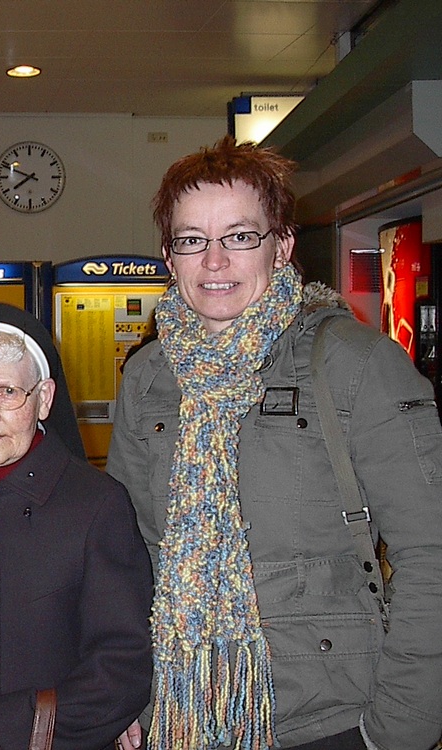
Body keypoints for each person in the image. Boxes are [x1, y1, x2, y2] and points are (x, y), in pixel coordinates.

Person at [108, 136, 442, 750]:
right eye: (192, 240)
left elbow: (431, 553)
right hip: (178, 712)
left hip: (328, 716)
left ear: (282, 245)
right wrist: (124, 690)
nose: (214, 261)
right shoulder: (149, 377)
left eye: (239, 236)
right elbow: (127, 557)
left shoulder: (354, 364)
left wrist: (398, 727)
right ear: (169, 256)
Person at [0, 302, 153, 750]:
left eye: (7, 392)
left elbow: (124, 666)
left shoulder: (98, 504)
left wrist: (6, 725)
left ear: (44, 399)